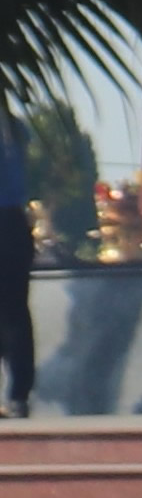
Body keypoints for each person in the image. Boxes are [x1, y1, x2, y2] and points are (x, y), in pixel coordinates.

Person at [0, 106, 37, 419]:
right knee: (15, 312)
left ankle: (17, 393)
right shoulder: (14, 127)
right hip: (13, 222)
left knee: (12, 315)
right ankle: (18, 395)